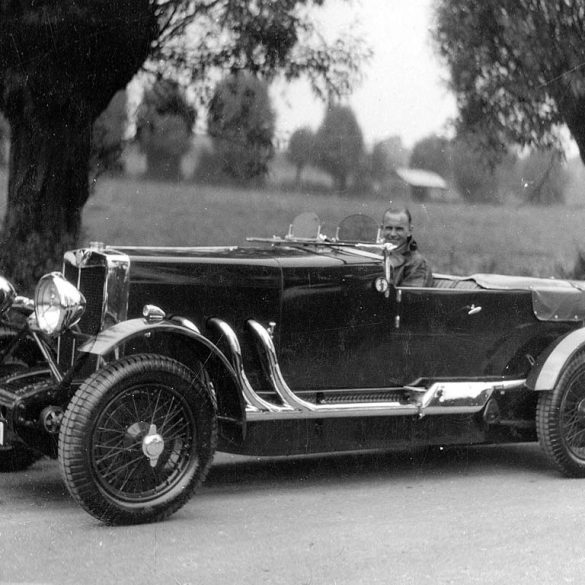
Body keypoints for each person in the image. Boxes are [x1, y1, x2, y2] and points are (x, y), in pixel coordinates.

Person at [380, 207, 433, 287]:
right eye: (389, 228)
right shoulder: (374, 255)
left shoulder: (416, 263)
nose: (393, 234)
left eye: (399, 229)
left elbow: (410, 296)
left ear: (409, 231)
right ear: (382, 229)